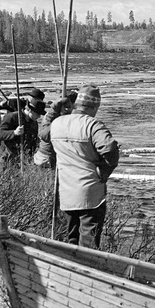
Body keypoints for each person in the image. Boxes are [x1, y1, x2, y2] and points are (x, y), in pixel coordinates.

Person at [50, 85, 120, 248]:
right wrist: (104, 170)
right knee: (89, 243)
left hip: (66, 192)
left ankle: (71, 270)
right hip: (90, 193)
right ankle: (86, 270)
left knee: (71, 239)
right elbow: (110, 149)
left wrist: (54, 109)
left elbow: (44, 135)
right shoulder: (93, 125)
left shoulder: (56, 124)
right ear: (95, 107)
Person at [0, 88, 45, 164]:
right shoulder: (12, 117)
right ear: (30, 110)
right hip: (6, 159)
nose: (39, 116)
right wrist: (14, 133)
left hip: (23, 161)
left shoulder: (34, 123)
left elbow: (33, 143)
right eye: (38, 113)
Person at [33, 89, 75, 169]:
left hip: (59, 159)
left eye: (70, 107)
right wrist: (60, 120)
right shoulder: (50, 116)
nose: (67, 109)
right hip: (46, 159)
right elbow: (44, 135)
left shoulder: (71, 118)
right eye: (66, 107)